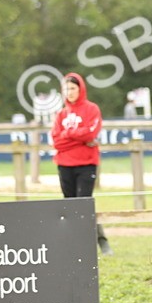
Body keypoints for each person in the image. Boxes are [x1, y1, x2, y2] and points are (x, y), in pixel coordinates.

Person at [51, 72, 112, 255]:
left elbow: (91, 133)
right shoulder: (61, 114)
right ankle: (74, 245)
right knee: (69, 206)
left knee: (84, 204)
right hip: (64, 164)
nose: (69, 92)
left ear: (80, 89)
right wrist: (80, 139)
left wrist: (68, 134)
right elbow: (56, 141)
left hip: (86, 164)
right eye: (66, 89)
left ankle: (101, 241)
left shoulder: (92, 109)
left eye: (72, 88)